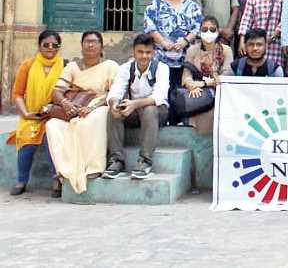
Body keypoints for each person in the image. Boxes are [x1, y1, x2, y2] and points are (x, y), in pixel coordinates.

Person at [46, 31, 119, 194]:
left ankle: (93, 167)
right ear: (81, 46)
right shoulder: (72, 67)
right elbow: (57, 91)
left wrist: (93, 107)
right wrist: (65, 104)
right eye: (87, 42)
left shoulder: (110, 66)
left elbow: (115, 92)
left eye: (94, 42)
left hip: (99, 105)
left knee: (90, 121)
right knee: (52, 125)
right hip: (73, 108)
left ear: (101, 46)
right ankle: (64, 171)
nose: (90, 45)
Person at [103, 34, 171, 180]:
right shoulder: (125, 68)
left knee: (150, 109)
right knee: (113, 110)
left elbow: (159, 97)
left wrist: (134, 104)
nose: (144, 56)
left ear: (153, 53)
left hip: (158, 112)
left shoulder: (162, 68)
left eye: (148, 52)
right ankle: (116, 160)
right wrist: (114, 104)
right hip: (133, 110)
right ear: (133, 52)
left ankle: (144, 161)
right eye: (140, 52)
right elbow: (116, 91)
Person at [7, 30, 63, 196]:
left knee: (53, 139)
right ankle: (21, 180)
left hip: (54, 115)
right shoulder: (28, 65)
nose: (50, 48)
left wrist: (54, 110)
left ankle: (57, 180)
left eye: (55, 45)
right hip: (31, 115)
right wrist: (26, 113)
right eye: (46, 44)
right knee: (27, 140)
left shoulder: (64, 66)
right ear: (39, 46)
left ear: (59, 47)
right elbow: (17, 94)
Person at [144, 0, 202, 121]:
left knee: (182, 88)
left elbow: (197, 27)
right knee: (163, 87)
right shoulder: (156, 4)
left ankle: (180, 120)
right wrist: (163, 42)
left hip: (185, 55)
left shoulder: (192, 6)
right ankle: (163, 119)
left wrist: (185, 41)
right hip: (161, 56)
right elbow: (149, 25)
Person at [174, 16, 234, 133]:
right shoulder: (192, 50)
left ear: (217, 32)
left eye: (212, 30)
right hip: (196, 93)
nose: (208, 33)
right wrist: (192, 85)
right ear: (200, 31)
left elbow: (226, 78)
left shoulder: (226, 50)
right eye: (205, 29)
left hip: (218, 95)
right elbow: (186, 77)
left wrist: (204, 81)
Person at [237, 0, 285, 68]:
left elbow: (285, 20)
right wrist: (242, 41)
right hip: (255, 43)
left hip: (275, 44)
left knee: (273, 71)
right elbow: (246, 20)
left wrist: (273, 35)